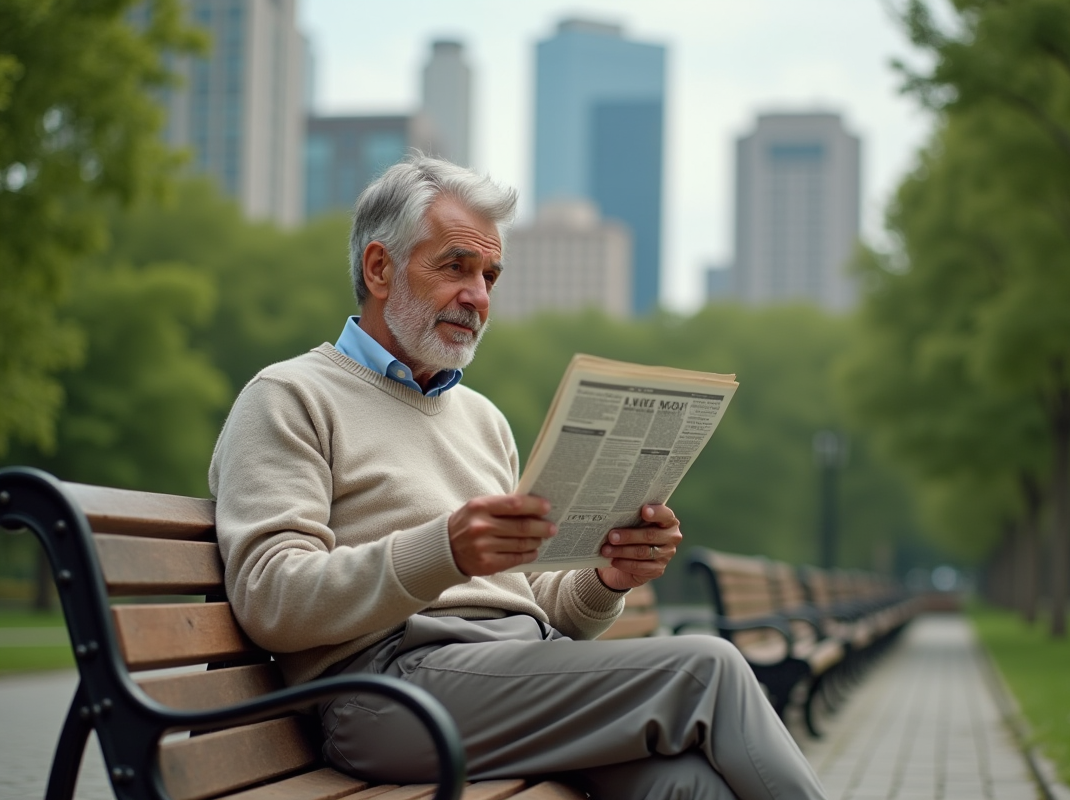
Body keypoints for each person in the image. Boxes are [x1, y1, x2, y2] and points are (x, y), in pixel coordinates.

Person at [208, 154, 827, 800]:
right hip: (388, 692)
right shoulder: (289, 397)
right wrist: (444, 550)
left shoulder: (482, 419)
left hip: (508, 671)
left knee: (686, 786)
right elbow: (270, 597)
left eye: (490, 276)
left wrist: (607, 580)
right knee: (706, 669)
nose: (478, 296)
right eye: (455, 267)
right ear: (379, 268)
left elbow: (527, 600)